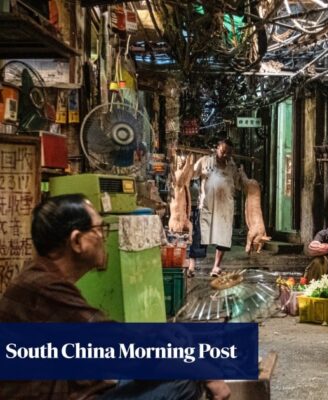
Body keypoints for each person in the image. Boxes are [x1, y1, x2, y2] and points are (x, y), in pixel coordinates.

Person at [0, 194, 230, 400]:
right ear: (77, 241)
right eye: (99, 230)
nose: (103, 237)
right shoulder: (43, 287)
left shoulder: (39, 278)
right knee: (183, 382)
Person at [193, 138, 247, 277]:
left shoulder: (232, 167)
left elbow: (239, 185)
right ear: (217, 149)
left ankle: (216, 267)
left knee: (222, 238)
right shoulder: (205, 161)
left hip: (225, 207)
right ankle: (191, 265)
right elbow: (192, 174)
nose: (225, 155)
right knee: (199, 236)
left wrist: (244, 176)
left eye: (228, 153)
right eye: (223, 151)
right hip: (207, 205)